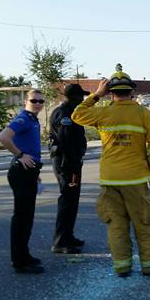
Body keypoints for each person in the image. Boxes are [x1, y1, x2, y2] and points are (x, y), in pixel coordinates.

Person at [72, 65, 150, 277]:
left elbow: (77, 115)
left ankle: (122, 266)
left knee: (116, 226)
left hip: (110, 180)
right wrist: (148, 166)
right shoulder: (144, 114)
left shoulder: (103, 113)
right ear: (132, 92)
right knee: (145, 223)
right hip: (135, 178)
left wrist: (96, 95)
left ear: (111, 92)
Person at [0, 89, 47, 274]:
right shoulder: (24, 118)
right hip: (21, 173)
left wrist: (35, 171)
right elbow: (3, 137)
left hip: (29, 172)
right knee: (22, 217)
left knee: (27, 217)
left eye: (41, 101)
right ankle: (19, 260)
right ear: (26, 100)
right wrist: (20, 155)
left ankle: (23, 255)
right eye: (34, 100)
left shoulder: (33, 120)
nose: (38, 104)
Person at [49, 83, 89, 254]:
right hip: (67, 164)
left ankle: (68, 236)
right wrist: (73, 164)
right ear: (75, 97)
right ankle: (60, 241)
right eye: (81, 97)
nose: (83, 100)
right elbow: (65, 141)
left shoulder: (71, 112)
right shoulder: (65, 114)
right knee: (67, 200)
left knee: (72, 201)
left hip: (71, 163)